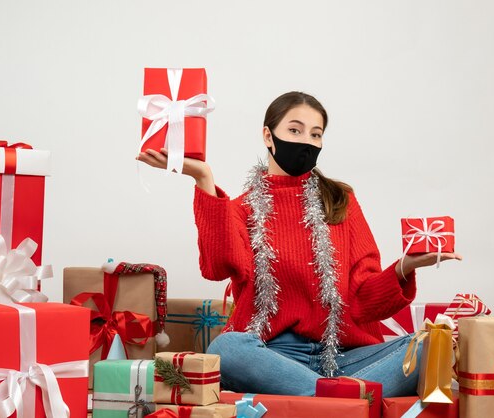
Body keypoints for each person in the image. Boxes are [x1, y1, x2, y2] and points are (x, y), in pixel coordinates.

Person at [137, 91, 462, 397]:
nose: (306, 141)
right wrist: (203, 179)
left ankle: (327, 399)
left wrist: (406, 266)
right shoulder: (242, 209)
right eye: (295, 130)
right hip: (276, 358)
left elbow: (363, 301)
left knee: (429, 344)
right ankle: (343, 400)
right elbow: (217, 267)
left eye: (316, 134)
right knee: (226, 349)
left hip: (347, 357)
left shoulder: (340, 201)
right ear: (268, 136)